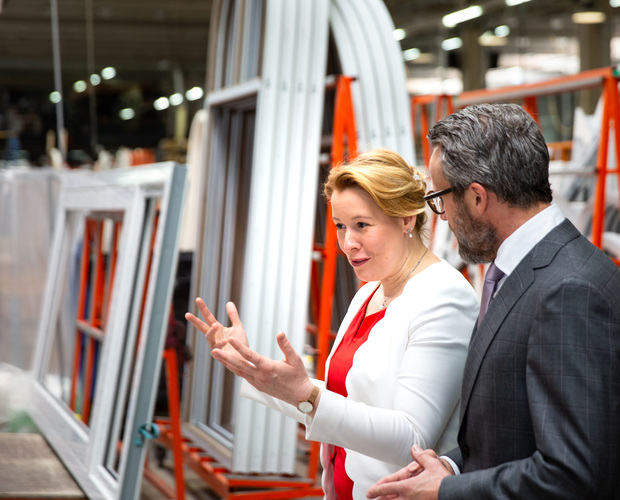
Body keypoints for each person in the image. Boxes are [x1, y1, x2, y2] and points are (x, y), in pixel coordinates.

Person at [186, 148, 479, 500]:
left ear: (407, 219)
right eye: (340, 226)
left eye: (362, 225)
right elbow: (346, 399)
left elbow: (412, 440)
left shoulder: (444, 297)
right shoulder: (371, 290)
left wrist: (307, 395)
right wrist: (254, 369)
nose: (347, 243)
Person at [367, 103, 620, 500]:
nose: (443, 218)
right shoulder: (525, 270)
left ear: (478, 197)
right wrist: (451, 464)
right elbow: (512, 434)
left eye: (441, 199)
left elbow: (573, 474)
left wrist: (447, 489)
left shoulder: (569, 291)